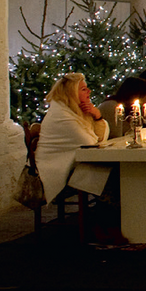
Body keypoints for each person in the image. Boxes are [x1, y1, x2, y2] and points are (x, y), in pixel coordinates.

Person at [36, 73, 110, 204]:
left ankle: (108, 211)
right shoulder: (61, 115)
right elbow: (89, 143)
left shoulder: (73, 110)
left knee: (109, 170)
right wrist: (95, 119)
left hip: (71, 164)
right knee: (109, 172)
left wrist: (97, 116)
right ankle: (110, 212)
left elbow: (100, 138)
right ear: (72, 93)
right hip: (54, 169)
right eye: (83, 89)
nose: (89, 91)